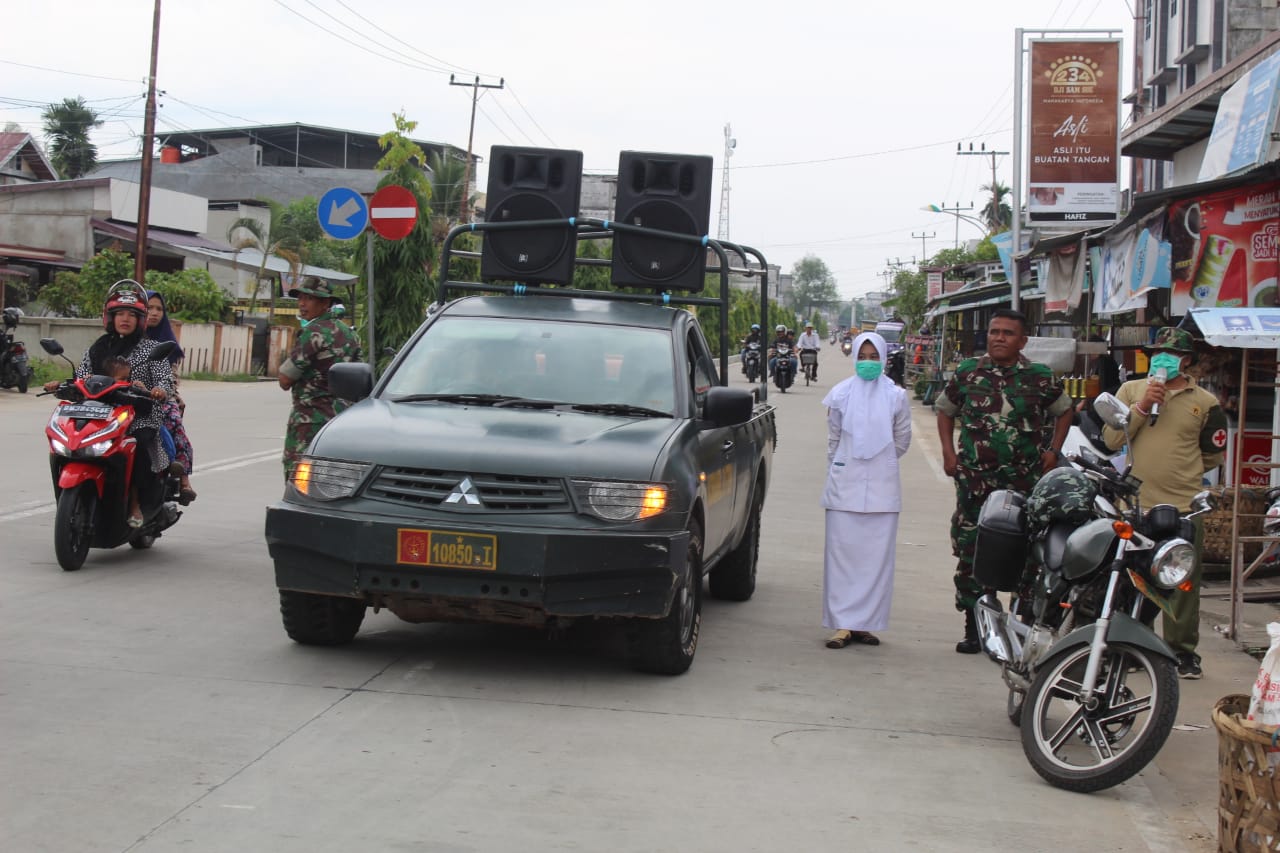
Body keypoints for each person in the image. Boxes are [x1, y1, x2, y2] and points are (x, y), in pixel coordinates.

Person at [934, 308, 1074, 653]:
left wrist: (1054, 450)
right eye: (994, 331)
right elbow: (944, 410)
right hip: (975, 484)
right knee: (972, 551)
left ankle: (1018, 627)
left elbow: (1065, 410)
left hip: (1023, 485)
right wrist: (949, 454)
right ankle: (974, 627)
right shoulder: (968, 373)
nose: (998, 337)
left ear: (1022, 340)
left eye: (1007, 333)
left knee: (1024, 553)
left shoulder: (1040, 377)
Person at [1101, 327, 1227, 680]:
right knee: (1129, 577)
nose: (1162, 358)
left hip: (1184, 504)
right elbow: (1112, 440)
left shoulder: (1205, 402)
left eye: (1171, 353)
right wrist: (1143, 406)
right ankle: (1128, 644)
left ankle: (1182, 652)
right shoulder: (1131, 390)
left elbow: (1213, 454)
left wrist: (1183, 472)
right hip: (1135, 504)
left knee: (1182, 582)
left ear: (1186, 360)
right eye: (1158, 352)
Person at [45, 281, 174, 527]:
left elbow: (164, 381)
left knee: (137, 445)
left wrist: (157, 391)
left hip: (138, 413)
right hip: (97, 411)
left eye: (132, 315)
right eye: (119, 314)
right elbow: (80, 378)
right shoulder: (98, 347)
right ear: (110, 317)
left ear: (140, 319)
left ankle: (135, 503)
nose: (125, 319)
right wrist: (61, 385)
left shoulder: (152, 349)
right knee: (64, 442)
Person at [821, 332, 912, 648]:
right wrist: (846, 464)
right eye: (864, 356)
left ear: (884, 358)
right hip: (844, 487)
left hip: (883, 489)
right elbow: (833, 439)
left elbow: (902, 439)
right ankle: (842, 625)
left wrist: (878, 462)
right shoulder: (840, 394)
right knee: (842, 556)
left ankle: (865, 625)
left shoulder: (896, 396)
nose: (869, 362)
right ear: (855, 357)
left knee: (875, 560)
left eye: (875, 357)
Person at [278, 276, 363, 480]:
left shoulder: (313, 333)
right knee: (334, 478)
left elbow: (285, 379)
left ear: (325, 303)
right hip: (342, 421)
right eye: (300, 298)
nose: (302, 303)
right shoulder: (351, 336)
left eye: (309, 299)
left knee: (298, 478)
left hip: (309, 420)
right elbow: (359, 379)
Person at [144, 290, 197, 503]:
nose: (154, 313)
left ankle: (184, 480)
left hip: (159, 396)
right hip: (126, 395)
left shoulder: (167, 343)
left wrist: (166, 395)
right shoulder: (127, 339)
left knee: (172, 418)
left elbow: (172, 380)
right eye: (149, 308)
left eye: (159, 309)